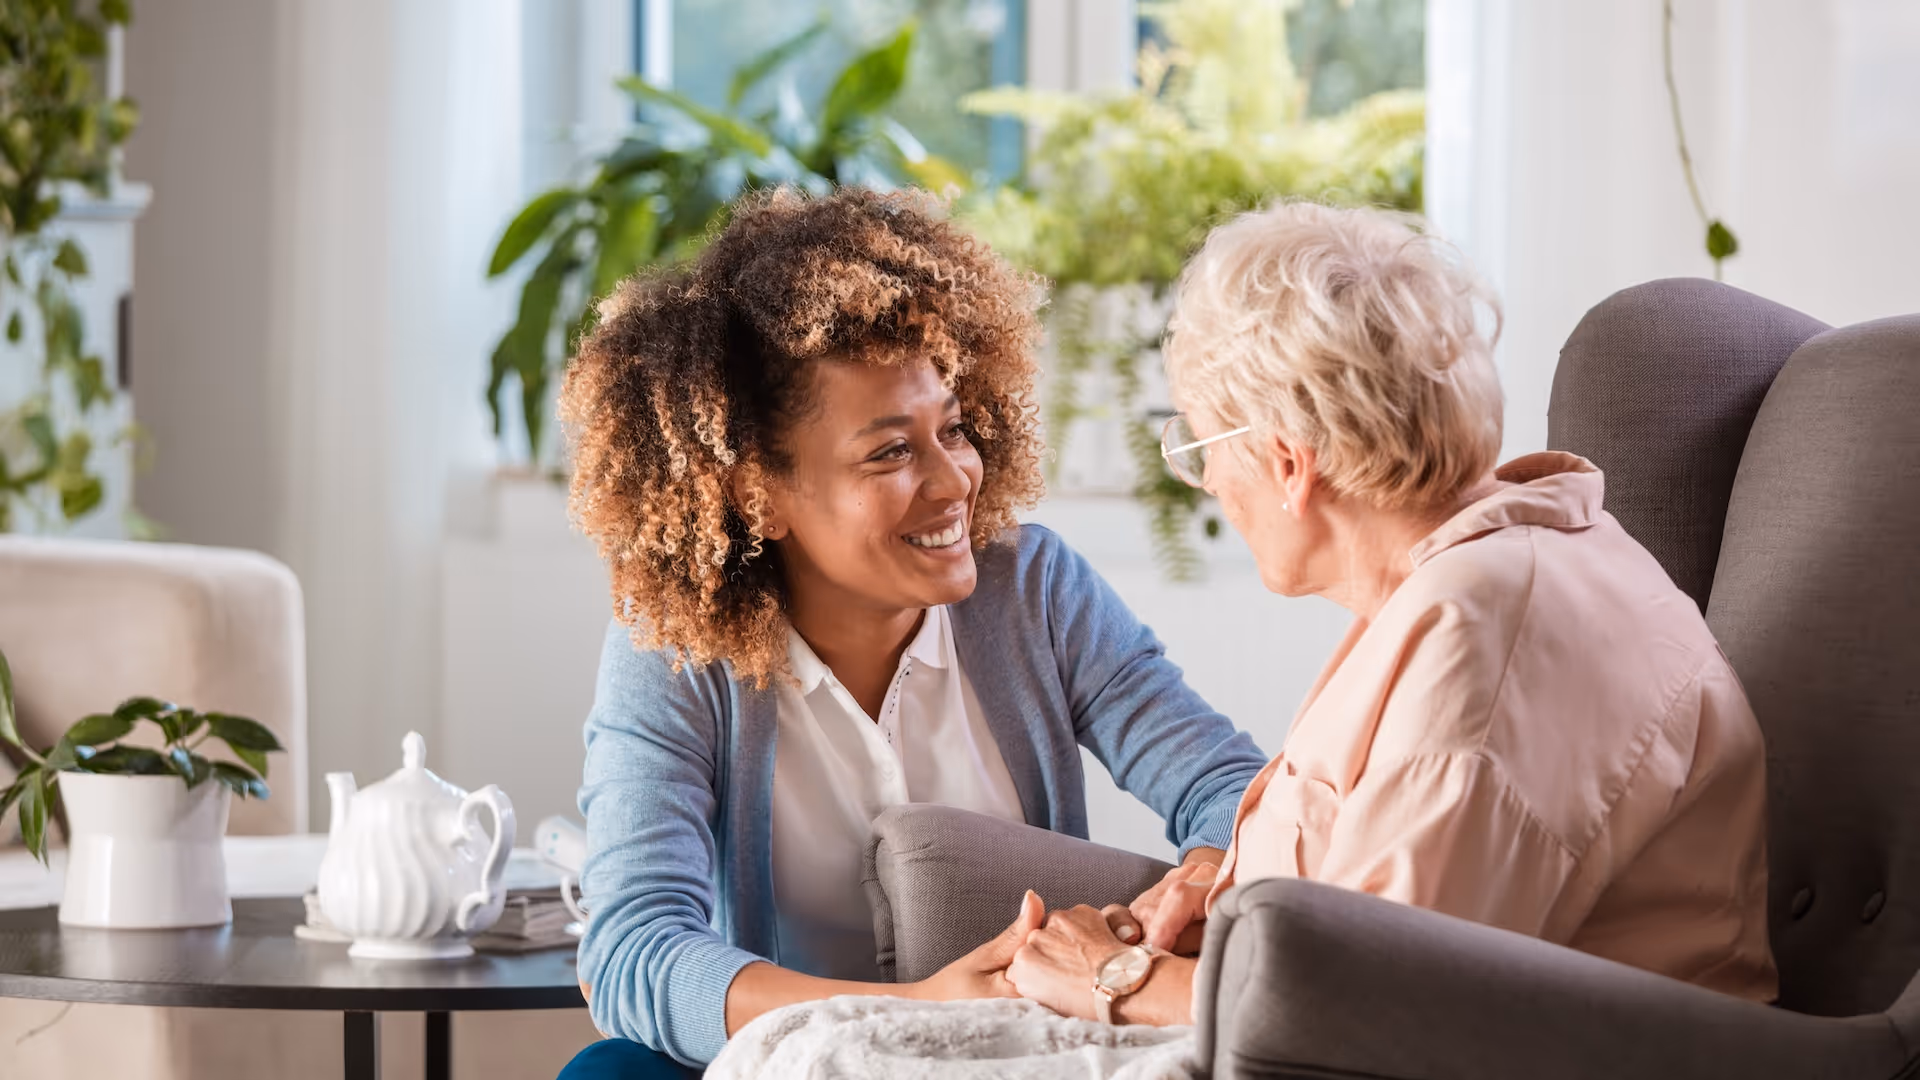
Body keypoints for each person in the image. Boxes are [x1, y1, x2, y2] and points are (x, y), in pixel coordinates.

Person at [1005, 201, 1778, 1026]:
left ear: (1287, 461)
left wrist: (1118, 978)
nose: (1213, 487)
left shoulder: (1485, 635)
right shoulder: (1478, 575)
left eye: (1198, 449)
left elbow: (1378, 1015)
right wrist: (1233, 899)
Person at [555, 186, 1268, 1078]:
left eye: (954, 429)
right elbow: (633, 952)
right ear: (756, 494)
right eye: (890, 452)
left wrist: (1199, 879)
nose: (955, 480)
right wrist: (913, 1014)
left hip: (1013, 1055)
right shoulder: (675, 649)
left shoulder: (1034, 590)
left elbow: (1232, 789)